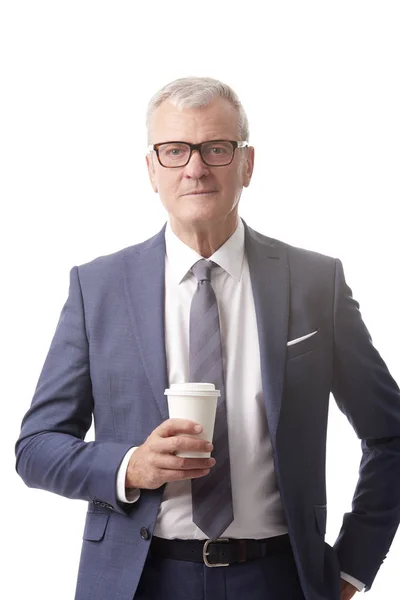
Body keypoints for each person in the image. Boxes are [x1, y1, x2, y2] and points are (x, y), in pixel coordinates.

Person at [15, 76, 400, 600]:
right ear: (151, 169)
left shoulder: (315, 283)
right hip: (138, 580)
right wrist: (131, 466)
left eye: (216, 148)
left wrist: (352, 568)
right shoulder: (97, 287)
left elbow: (391, 436)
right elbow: (36, 448)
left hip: (279, 578)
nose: (195, 168)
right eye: (175, 151)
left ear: (247, 163)